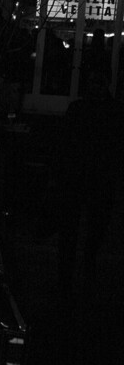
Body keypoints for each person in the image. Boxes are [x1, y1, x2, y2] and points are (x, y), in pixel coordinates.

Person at [55, 68, 123, 300]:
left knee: (76, 231)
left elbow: (65, 144)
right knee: (88, 230)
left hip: (83, 177)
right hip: (95, 178)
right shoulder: (112, 111)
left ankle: (70, 278)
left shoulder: (81, 109)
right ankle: (83, 275)